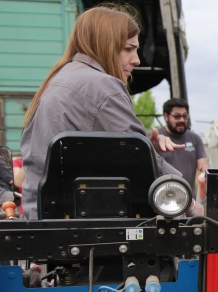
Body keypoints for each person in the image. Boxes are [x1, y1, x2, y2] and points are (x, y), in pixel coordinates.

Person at [19, 4, 194, 220]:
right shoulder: (101, 86)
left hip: (43, 219)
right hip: (82, 227)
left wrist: (145, 142)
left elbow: (87, 149)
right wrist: (189, 202)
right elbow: (140, 160)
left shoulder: (60, 79)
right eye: (128, 49)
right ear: (105, 45)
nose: (136, 60)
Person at [158, 98, 210, 194]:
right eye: (177, 116)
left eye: (185, 116)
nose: (182, 120)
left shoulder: (195, 139)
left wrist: (206, 176)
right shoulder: (156, 140)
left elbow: (203, 166)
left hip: (188, 200)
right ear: (166, 116)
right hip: (162, 200)